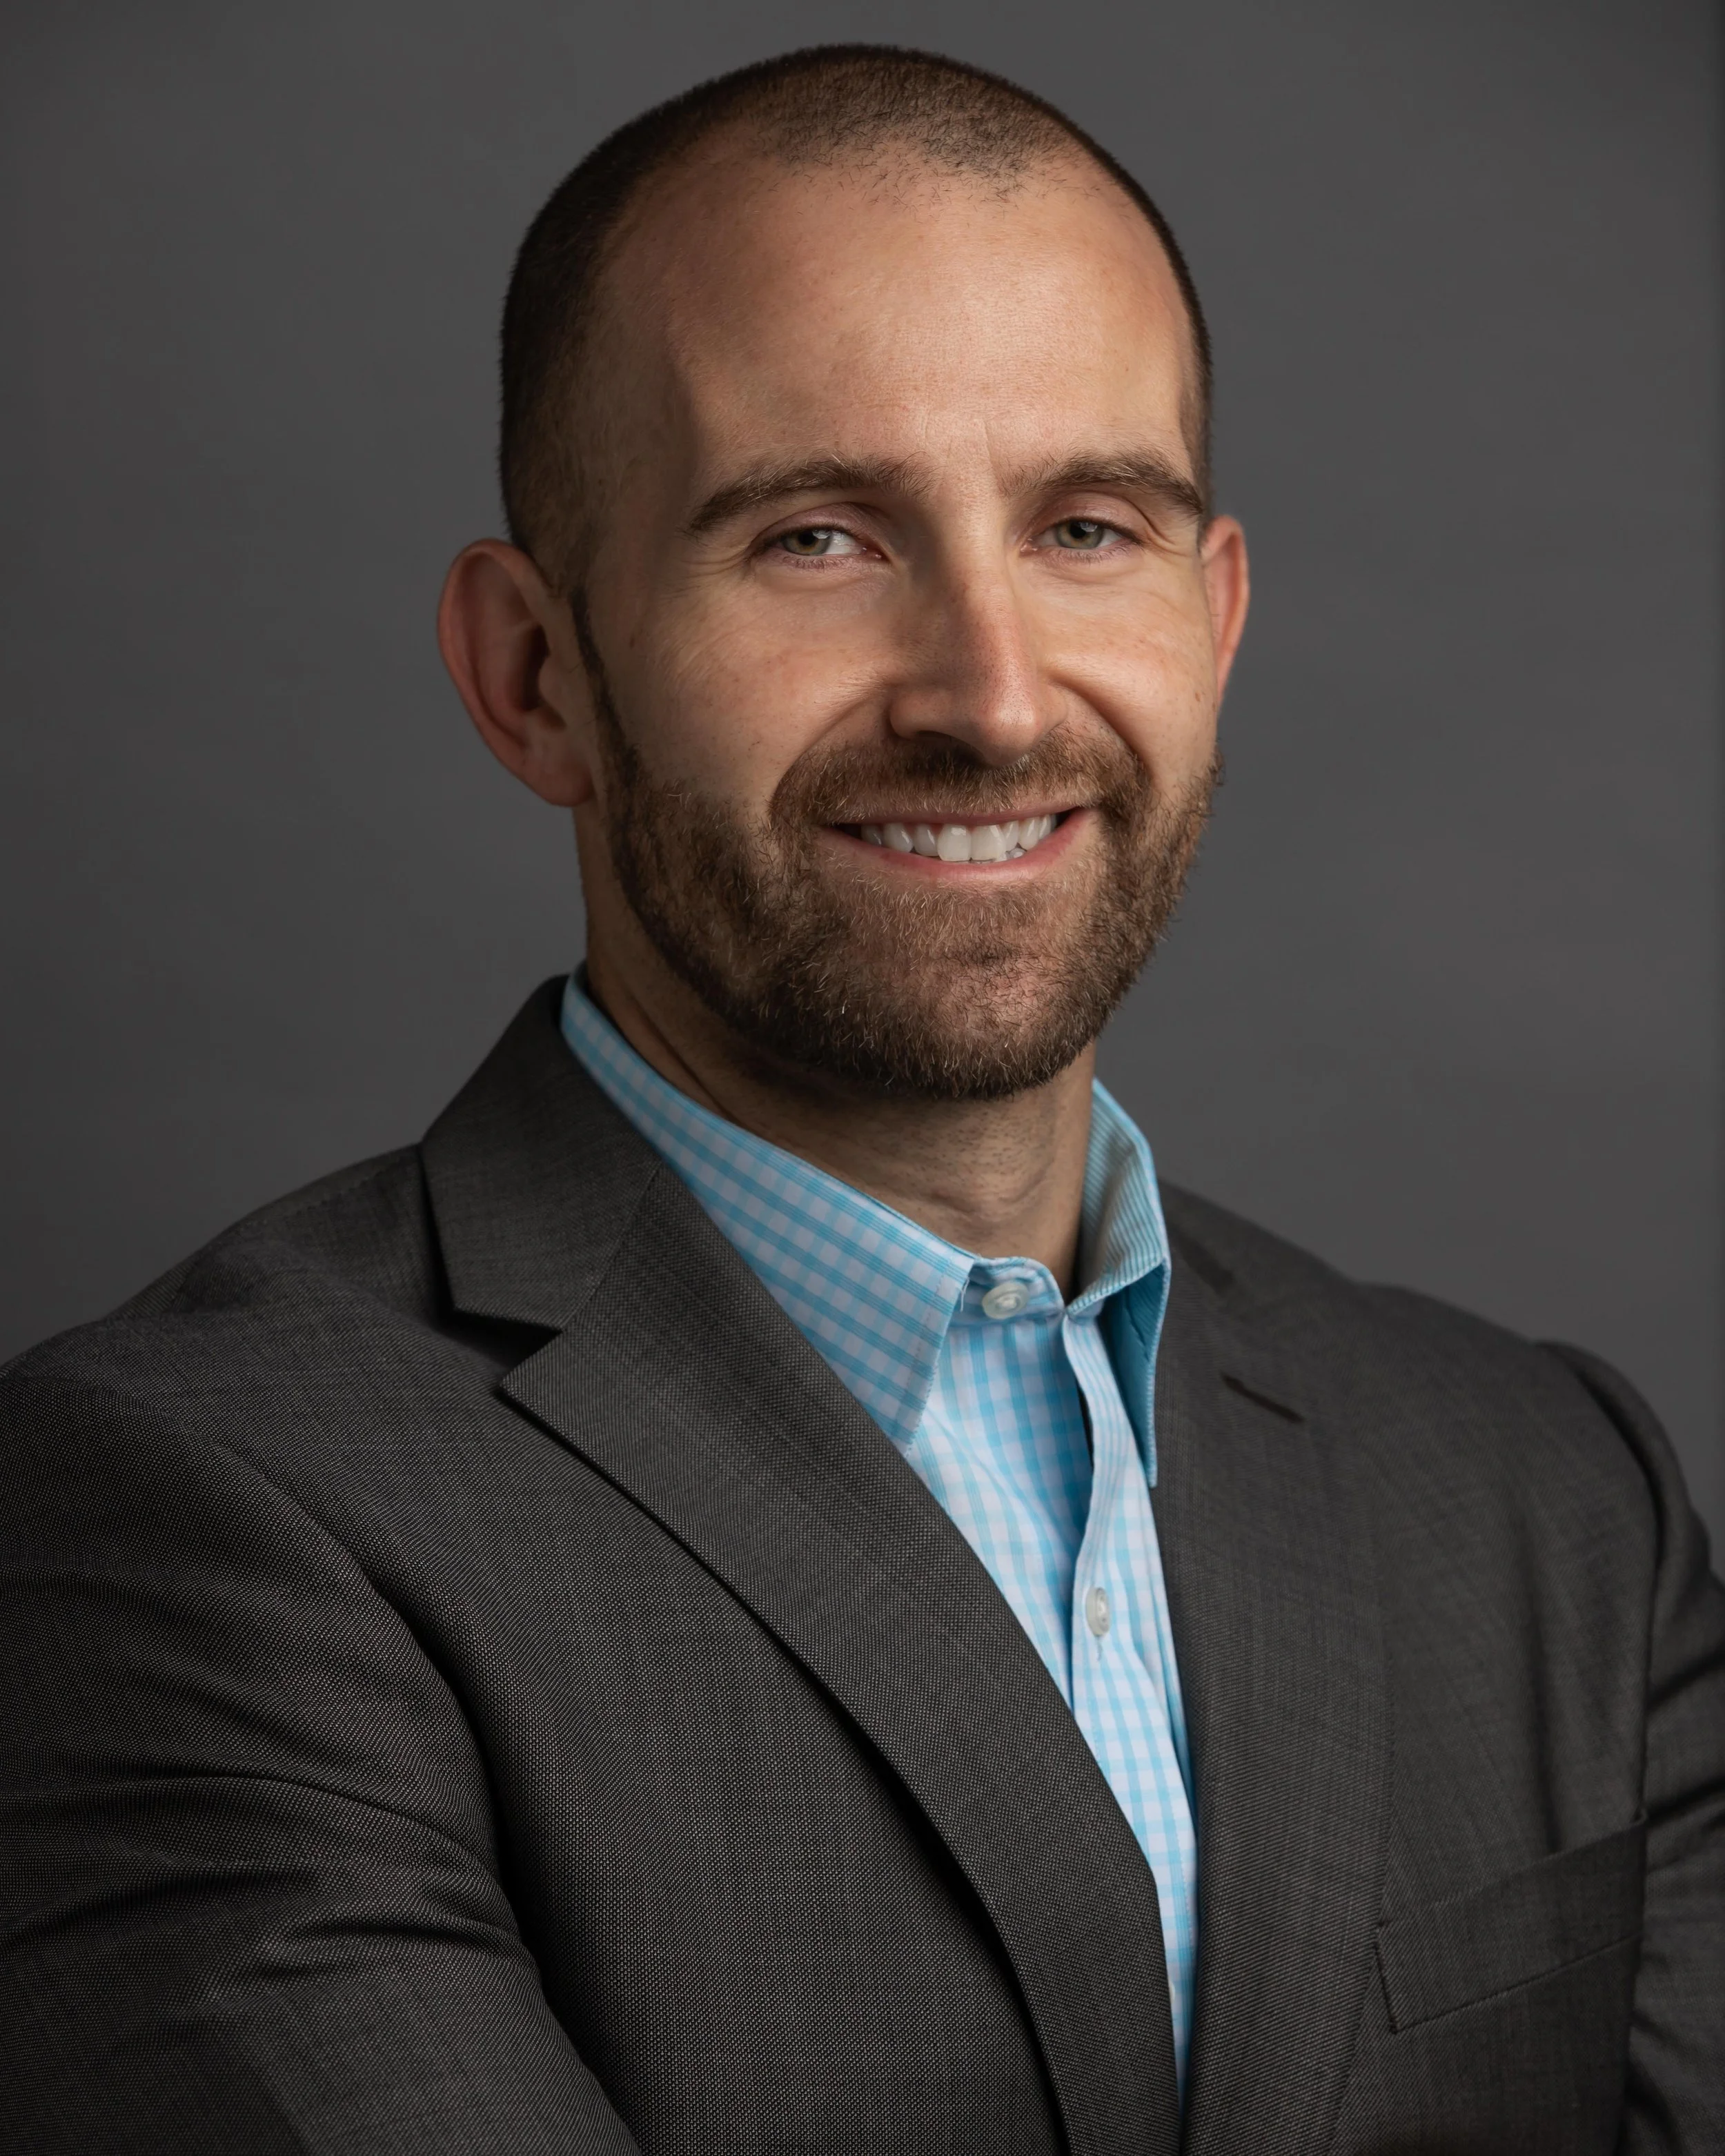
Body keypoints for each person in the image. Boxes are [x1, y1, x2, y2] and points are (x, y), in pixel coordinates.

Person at [2, 42, 1719, 2155]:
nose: (992, 695)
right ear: (535, 671)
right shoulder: (182, 1514)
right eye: (816, 535)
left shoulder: (1549, 1498)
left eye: (1088, 526)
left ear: (1212, 611)